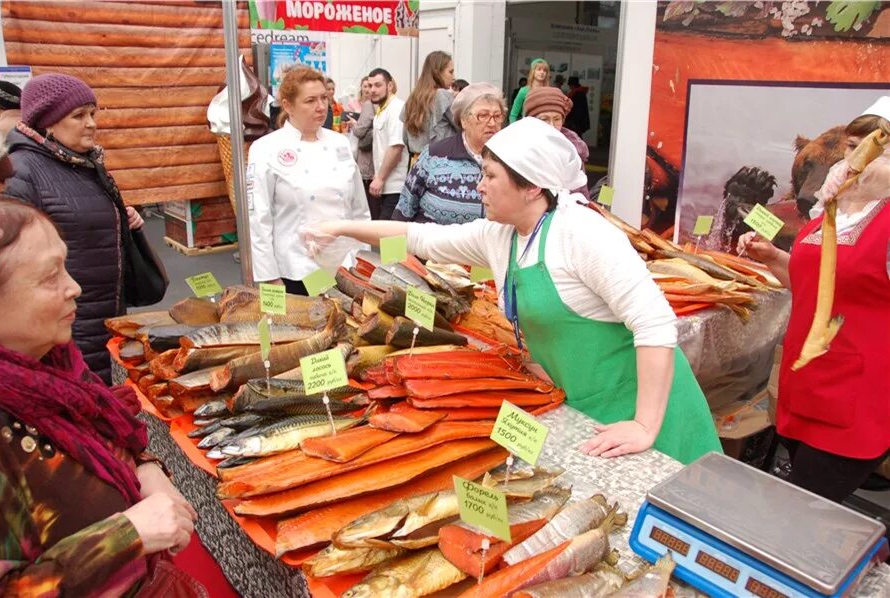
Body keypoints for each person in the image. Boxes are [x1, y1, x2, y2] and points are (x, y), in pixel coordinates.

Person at [304, 118, 722, 464]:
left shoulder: (582, 233)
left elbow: (655, 323)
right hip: (586, 407)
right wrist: (340, 228)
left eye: (489, 176)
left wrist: (646, 424)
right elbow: (419, 237)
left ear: (532, 187)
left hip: (651, 415)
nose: (478, 187)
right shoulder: (500, 235)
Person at [0, 198, 204, 596]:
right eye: (49, 276)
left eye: (65, 266)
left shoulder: (54, 365)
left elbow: (113, 430)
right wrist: (128, 534)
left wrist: (146, 470)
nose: (75, 287)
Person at [737, 97, 890, 503]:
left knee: (805, 507)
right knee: (801, 499)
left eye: (870, 148)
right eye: (850, 146)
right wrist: (773, 258)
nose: (852, 159)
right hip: (805, 386)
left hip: (857, 399)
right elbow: (812, 283)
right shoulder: (833, 208)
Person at [3, 73, 145, 384]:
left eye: (93, 113)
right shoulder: (23, 172)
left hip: (105, 311)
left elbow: (79, 219)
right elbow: (16, 263)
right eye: (78, 115)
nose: (91, 123)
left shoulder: (82, 162)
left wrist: (122, 217)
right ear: (47, 122)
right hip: (67, 323)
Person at [246, 65, 370, 296]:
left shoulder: (340, 143)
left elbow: (359, 210)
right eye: (310, 100)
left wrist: (364, 261)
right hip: (295, 272)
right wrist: (269, 278)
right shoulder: (265, 149)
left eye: (324, 98)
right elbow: (258, 219)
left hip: (345, 268)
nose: (321, 107)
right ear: (287, 106)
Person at [393, 83, 505, 224]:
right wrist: (393, 247)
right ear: (464, 120)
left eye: (497, 116)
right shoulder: (434, 155)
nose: (492, 123)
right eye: (483, 116)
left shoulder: (509, 161)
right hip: (432, 244)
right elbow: (403, 212)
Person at [524, 87, 590, 202]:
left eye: (557, 119)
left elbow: (581, 192)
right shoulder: (519, 148)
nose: (551, 125)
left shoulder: (573, 150)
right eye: (544, 119)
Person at [368, 67, 409, 219]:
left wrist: (380, 178)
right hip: (385, 185)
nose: (372, 90)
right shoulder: (381, 110)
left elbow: (396, 147)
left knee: (390, 238)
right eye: (370, 85)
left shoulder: (396, 108)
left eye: (378, 85)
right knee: (385, 236)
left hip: (396, 187)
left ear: (390, 86)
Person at [401, 51, 457, 159]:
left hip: (416, 162)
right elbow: (463, 127)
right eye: (451, 72)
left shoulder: (412, 99)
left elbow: (405, 138)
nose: (454, 77)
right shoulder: (442, 96)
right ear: (438, 72)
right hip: (441, 163)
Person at [349, 76, 380, 219]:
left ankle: (371, 240)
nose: (370, 89)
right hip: (380, 167)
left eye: (374, 85)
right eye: (367, 86)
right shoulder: (383, 106)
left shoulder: (369, 105)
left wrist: (354, 125)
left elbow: (360, 130)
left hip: (367, 164)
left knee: (369, 209)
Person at [509, 59, 549, 123]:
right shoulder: (524, 91)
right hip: (527, 127)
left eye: (544, 70)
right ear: (533, 71)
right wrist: (514, 131)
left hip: (544, 127)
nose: (542, 72)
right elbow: (513, 115)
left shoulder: (549, 91)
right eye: (539, 69)